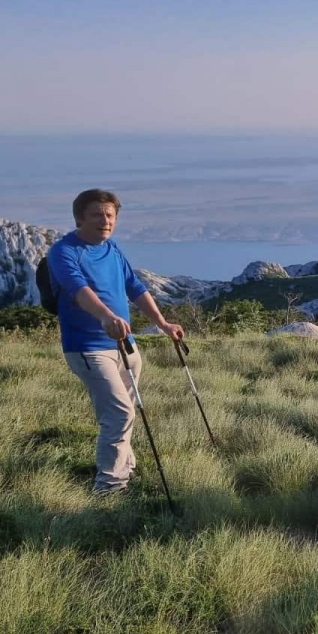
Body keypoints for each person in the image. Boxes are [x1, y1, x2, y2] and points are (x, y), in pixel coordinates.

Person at [47, 189, 185, 495]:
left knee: (125, 411)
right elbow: (78, 290)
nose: (105, 220)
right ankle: (109, 489)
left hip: (126, 345)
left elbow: (135, 286)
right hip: (88, 348)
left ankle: (125, 468)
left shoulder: (111, 248)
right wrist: (106, 316)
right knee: (120, 413)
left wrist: (162, 324)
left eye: (110, 215)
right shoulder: (64, 251)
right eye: (97, 214)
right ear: (80, 218)